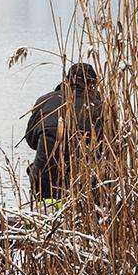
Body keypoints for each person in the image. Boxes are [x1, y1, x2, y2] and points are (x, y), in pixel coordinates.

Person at [24, 62, 104, 202]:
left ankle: (43, 211)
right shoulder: (100, 108)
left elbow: (31, 140)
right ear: (92, 85)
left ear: (66, 80)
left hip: (43, 182)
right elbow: (110, 146)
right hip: (83, 184)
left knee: (34, 168)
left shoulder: (45, 100)